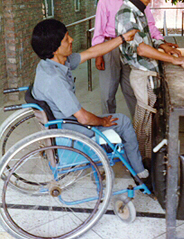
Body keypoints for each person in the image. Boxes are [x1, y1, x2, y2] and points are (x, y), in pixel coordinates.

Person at [31, 18, 149, 179]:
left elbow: (92, 52)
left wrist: (122, 38)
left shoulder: (51, 64)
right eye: (66, 39)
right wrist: (103, 122)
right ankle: (140, 173)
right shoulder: (54, 80)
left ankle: (133, 163)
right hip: (72, 128)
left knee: (113, 120)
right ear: (55, 48)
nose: (71, 40)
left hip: (64, 121)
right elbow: (84, 118)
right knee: (122, 121)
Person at [115, 0, 184, 161]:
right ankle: (141, 167)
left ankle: (148, 164)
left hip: (149, 74)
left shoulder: (138, 12)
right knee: (143, 126)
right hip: (142, 75)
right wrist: (174, 60)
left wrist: (162, 45)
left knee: (150, 125)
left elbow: (145, 42)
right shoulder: (126, 13)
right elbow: (141, 49)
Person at [92, 0, 179, 117]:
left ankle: (139, 122)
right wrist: (99, 54)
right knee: (108, 93)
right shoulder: (107, 0)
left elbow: (149, 26)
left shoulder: (141, 3)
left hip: (131, 50)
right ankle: (108, 127)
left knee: (131, 90)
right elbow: (99, 29)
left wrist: (161, 42)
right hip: (111, 47)